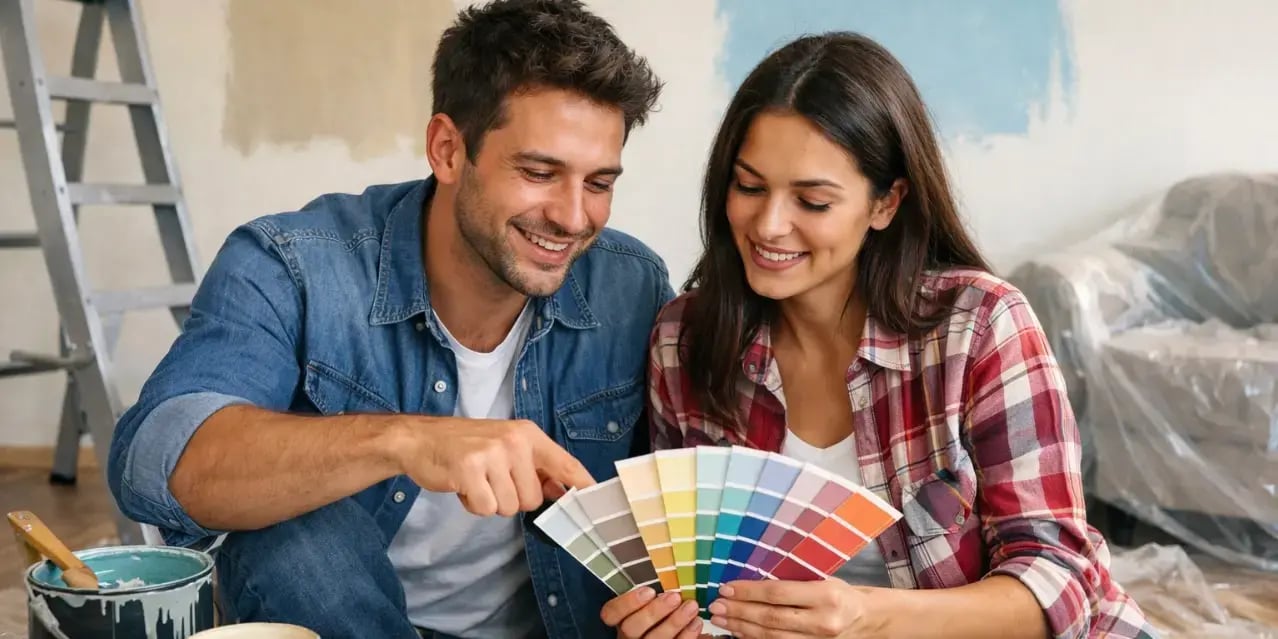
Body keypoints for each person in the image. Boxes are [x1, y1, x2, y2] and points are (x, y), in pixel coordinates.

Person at [107, 1, 672, 637]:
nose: (574, 218)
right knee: (293, 534)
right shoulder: (292, 266)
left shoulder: (632, 285)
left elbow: (673, 504)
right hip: (348, 618)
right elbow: (152, 460)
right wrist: (403, 440)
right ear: (448, 149)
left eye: (599, 183)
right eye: (539, 173)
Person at [602, 32, 1158, 639]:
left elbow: (1062, 580)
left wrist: (867, 617)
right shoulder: (683, 341)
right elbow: (690, 579)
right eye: (750, 186)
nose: (768, 224)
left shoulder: (979, 324)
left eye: (812, 201)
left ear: (886, 203)